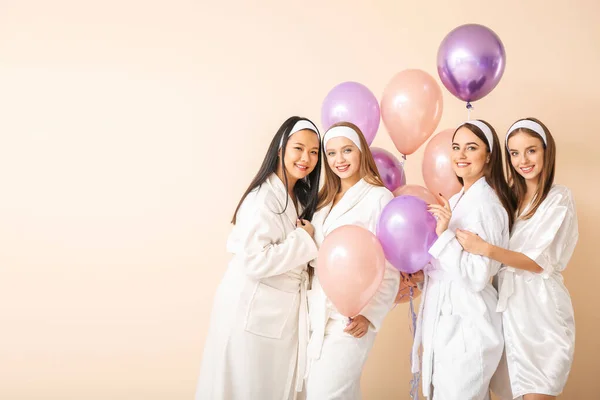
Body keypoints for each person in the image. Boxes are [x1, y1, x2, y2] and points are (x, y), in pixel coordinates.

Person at [195, 116, 322, 400]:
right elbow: (255, 261)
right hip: (249, 310)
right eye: (298, 149)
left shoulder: (298, 196)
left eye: (314, 152)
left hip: (276, 313)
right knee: (244, 387)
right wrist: (304, 240)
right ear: (280, 149)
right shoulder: (262, 198)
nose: (306, 158)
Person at [457, 118, 578, 400]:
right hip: (505, 309)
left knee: (537, 390)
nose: (522, 160)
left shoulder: (559, 198)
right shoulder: (508, 198)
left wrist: (485, 248)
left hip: (540, 311)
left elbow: (537, 262)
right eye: (514, 153)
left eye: (531, 150)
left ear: (547, 151)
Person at [410, 120, 514, 399]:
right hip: (445, 325)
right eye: (456, 147)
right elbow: (451, 263)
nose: (461, 155)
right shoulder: (456, 201)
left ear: (489, 156)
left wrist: (444, 236)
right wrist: (424, 275)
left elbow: (479, 276)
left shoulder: (488, 205)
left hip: (469, 327)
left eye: (471, 148)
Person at [304, 122, 400, 400]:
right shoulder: (323, 202)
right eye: (331, 153)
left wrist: (370, 315)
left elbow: (390, 264)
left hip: (352, 317)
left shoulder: (379, 198)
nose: (339, 160)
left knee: (326, 394)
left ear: (361, 153)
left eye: (347, 150)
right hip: (318, 315)